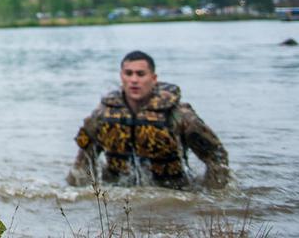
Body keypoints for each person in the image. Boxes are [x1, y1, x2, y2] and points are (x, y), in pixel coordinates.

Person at [66, 51, 229, 189]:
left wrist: (212, 196)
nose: (134, 80)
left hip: (173, 189)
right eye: (128, 74)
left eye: (140, 74)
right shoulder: (102, 115)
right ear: (121, 77)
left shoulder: (179, 115)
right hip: (119, 188)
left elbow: (217, 158)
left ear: (153, 78)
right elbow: (83, 159)